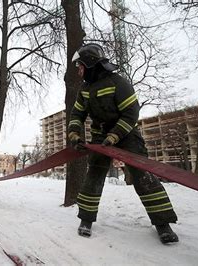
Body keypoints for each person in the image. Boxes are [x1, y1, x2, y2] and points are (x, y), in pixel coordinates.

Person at [68, 43, 179, 244]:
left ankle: (163, 224)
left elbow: (131, 114)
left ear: (90, 64)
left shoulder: (118, 82)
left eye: (80, 66)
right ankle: (86, 220)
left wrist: (114, 136)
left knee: (142, 175)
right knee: (94, 175)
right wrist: (74, 133)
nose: (78, 70)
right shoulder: (85, 89)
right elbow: (77, 114)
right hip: (101, 137)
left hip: (126, 135)